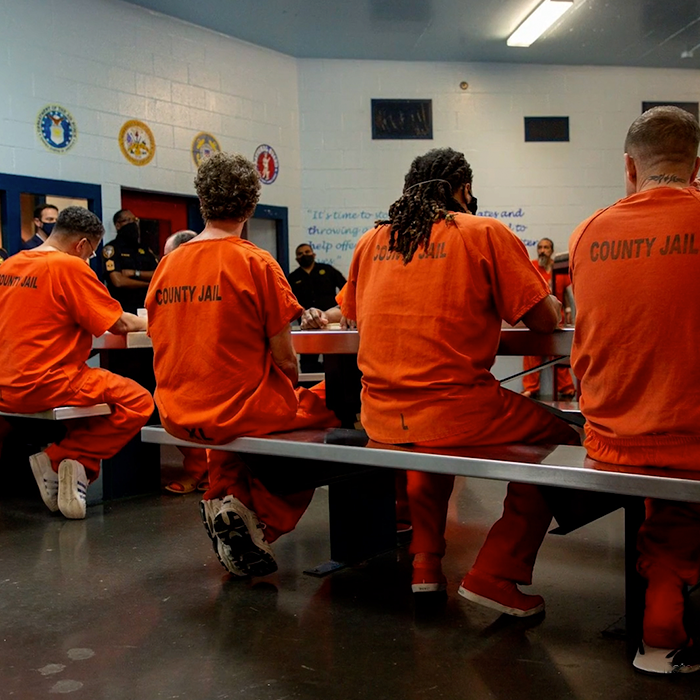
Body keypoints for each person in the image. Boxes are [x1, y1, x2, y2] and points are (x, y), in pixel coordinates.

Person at [341, 147, 578, 600]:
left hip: (380, 415)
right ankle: (497, 570)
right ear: (463, 190)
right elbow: (545, 320)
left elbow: (349, 312)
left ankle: (425, 561)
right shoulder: (483, 231)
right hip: (457, 411)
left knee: (425, 439)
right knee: (564, 445)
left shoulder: (371, 241)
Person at [146, 153, 340, 578]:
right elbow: (286, 359)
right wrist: (287, 387)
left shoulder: (166, 266)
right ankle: (259, 520)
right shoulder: (256, 262)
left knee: (237, 422)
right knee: (331, 415)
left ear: (202, 202)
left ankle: (222, 496)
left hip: (178, 411)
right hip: (235, 409)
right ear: (251, 206)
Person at [570, 105, 700, 675]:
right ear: (696, 166)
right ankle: (663, 628)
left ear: (630, 167)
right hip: (690, 441)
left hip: (610, 437)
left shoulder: (589, 231)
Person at [0, 207, 154, 519]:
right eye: (92, 253)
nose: (90, 259)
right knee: (138, 401)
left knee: (89, 408)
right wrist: (155, 322)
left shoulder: (11, 264)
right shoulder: (69, 267)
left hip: (5, 384)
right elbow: (120, 325)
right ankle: (62, 458)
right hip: (47, 383)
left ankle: (74, 469)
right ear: (81, 245)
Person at [159, 228, 209, 495]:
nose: (164, 264)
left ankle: (203, 468)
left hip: (210, 367)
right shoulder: (166, 283)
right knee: (164, 398)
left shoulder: (212, 277)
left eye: (168, 257)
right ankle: (201, 467)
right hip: (178, 365)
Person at [521, 237, 576, 399]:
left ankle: (567, 389)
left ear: (551, 251)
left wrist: (568, 311)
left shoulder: (558, 268)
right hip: (535, 319)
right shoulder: (531, 267)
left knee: (559, 355)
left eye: (546, 247)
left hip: (556, 319)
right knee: (531, 354)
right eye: (540, 247)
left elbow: (566, 295)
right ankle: (531, 388)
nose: (542, 250)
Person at [288, 243, 347, 373]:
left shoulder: (327, 270)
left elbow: (346, 288)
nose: (304, 255)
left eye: (307, 252)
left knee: (336, 362)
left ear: (313, 254)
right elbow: (287, 301)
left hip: (332, 325)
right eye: (300, 254)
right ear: (296, 259)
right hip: (307, 327)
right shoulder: (292, 277)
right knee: (308, 366)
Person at [103, 209, 158, 313]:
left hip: (146, 307)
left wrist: (135, 273)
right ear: (118, 225)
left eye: (134, 220)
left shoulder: (144, 249)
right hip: (123, 309)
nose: (132, 224)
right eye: (127, 220)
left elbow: (158, 273)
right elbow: (118, 281)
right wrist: (148, 284)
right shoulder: (112, 249)